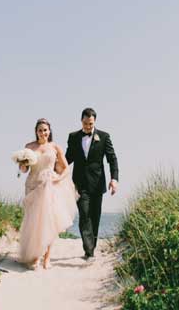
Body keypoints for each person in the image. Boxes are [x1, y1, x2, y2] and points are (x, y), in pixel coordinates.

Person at [17, 118, 78, 269]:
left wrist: (58, 179)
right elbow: (24, 170)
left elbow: (66, 168)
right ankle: (35, 256)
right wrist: (22, 164)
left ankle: (47, 258)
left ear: (49, 131)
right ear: (36, 132)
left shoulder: (55, 147)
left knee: (49, 222)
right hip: (32, 185)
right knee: (33, 222)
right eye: (40, 130)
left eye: (45, 130)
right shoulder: (29, 147)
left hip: (49, 186)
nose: (43, 133)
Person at [65, 107, 119, 260]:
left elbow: (112, 159)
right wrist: (54, 170)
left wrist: (114, 179)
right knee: (84, 215)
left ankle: (91, 249)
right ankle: (88, 251)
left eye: (90, 124)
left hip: (97, 184)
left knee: (95, 217)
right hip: (79, 184)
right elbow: (67, 158)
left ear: (94, 122)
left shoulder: (104, 136)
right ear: (81, 121)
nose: (88, 126)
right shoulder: (73, 137)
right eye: (85, 123)